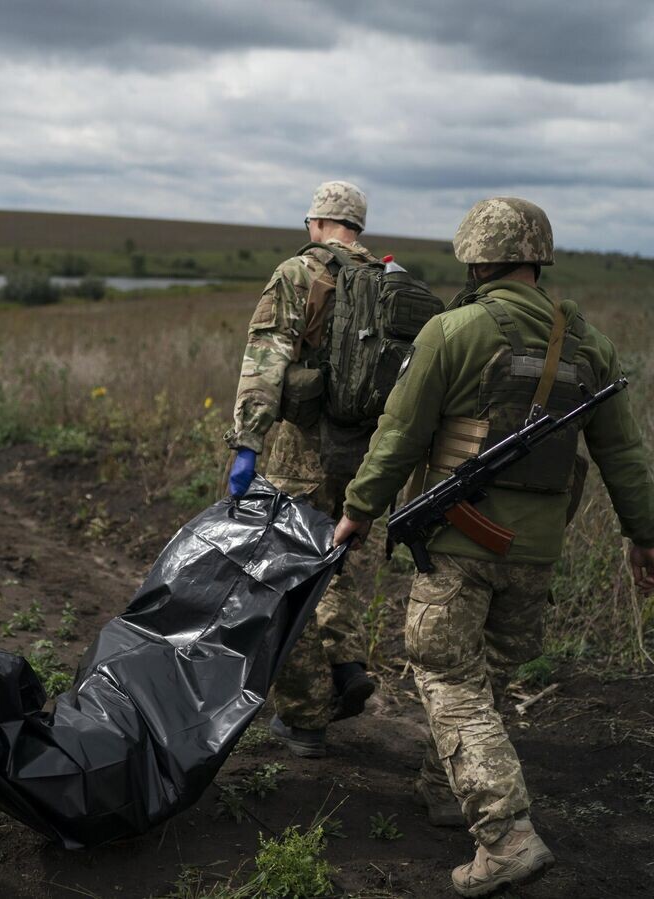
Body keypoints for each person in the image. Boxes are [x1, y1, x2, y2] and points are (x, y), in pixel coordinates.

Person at [334, 197, 654, 896]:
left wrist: (357, 512)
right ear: (537, 256)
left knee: (445, 676)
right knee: (487, 680)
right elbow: (624, 455)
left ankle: (506, 835)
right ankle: (446, 789)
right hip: (535, 553)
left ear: (477, 258)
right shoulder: (589, 343)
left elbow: (400, 433)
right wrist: (643, 537)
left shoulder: (454, 330)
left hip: (459, 541)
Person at [224, 180, 376, 757]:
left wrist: (247, 443)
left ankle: (305, 715)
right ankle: (345, 664)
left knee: (281, 573)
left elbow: (266, 359)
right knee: (331, 563)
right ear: (357, 227)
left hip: (301, 453)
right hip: (364, 457)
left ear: (315, 223)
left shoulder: (297, 273)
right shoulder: (387, 280)